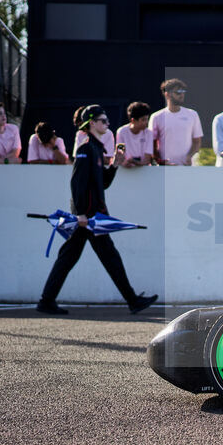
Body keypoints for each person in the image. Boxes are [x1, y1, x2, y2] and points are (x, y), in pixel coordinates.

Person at [37, 105, 157, 315]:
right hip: (89, 217)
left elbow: (103, 184)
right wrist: (81, 214)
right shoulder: (85, 149)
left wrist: (114, 165)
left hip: (91, 216)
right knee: (108, 257)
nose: (107, 124)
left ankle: (46, 301)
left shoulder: (96, 149)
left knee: (71, 257)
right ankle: (132, 300)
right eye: (103, 121)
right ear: (91, 123)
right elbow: (77, 184)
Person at [150, 78, 202, 166]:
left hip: (186, 168)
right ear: (167, 95)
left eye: (183, 91)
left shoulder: (192, 114)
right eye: (178, 92)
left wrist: (189, 156)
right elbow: (151, 144)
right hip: (164, 169)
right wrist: (161, 161)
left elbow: (197, 142)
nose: (181, 95)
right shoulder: (156, 117)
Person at [116, 101, 154, 168]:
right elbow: (120, 155)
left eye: (147, 119)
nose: (146, 122)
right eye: (143, 120)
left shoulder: (149, 133)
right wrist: (125, 163)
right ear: (133, 120)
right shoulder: (121, 132)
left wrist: (134, 162)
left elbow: (147, 160)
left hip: (145, 172)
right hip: (125, 172)